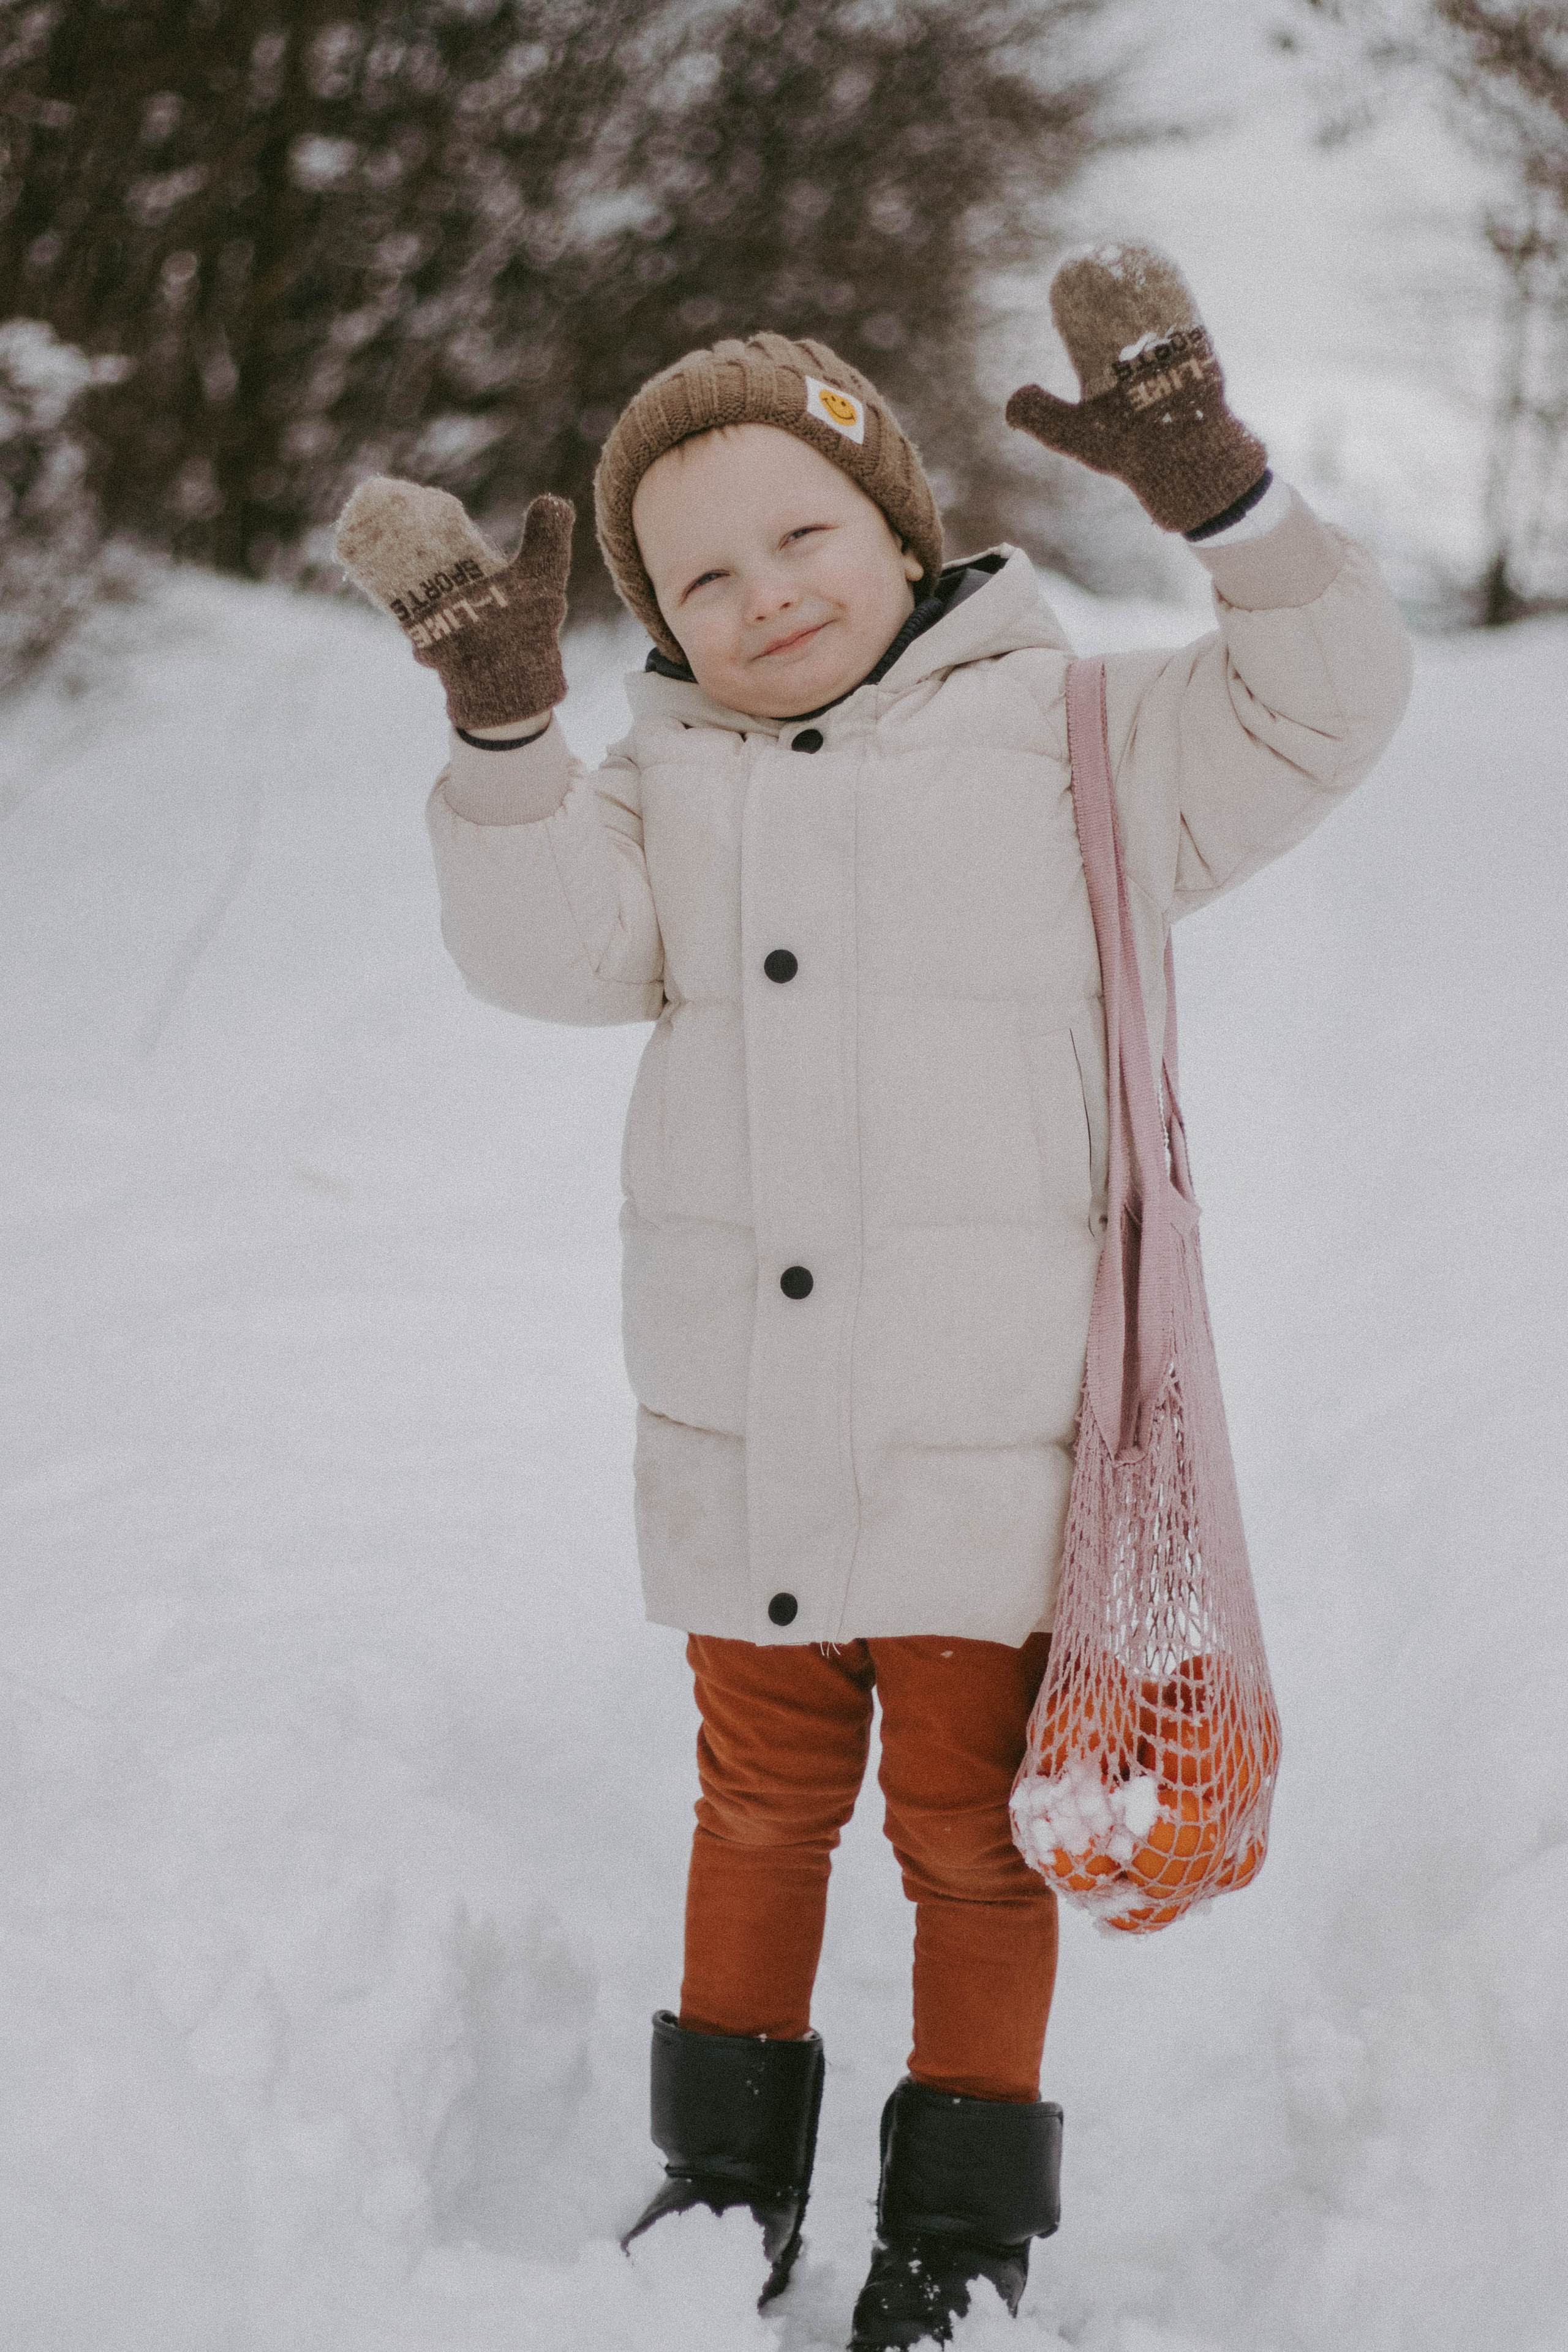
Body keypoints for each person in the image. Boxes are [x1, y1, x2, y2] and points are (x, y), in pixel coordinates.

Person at [334, 246, 1412, 2350]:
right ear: (653, 624)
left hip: (990, 1442)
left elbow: (1329, 702)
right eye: (698, 581)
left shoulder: (1086, 741)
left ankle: (965, 2226)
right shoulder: (664, 792)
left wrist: (1232, 510)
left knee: (970, 1838)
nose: (763, 598)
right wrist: (507, 742)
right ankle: (723, 2181)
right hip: (748, 1434)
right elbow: (543, 955)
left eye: (802, 534)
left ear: (902, 526)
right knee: (752, 1809)